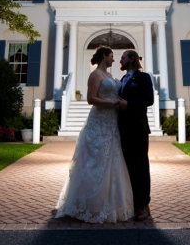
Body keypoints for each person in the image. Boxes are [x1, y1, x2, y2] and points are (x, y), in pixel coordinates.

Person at [54, 47, 134, 223]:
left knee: (112, 160)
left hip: (112, 122)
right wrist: (112, 102)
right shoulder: (95, 75)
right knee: (95, 161)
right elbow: (91, 99)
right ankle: (88, 204)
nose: (114, 60)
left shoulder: (112, 76)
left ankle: (111, 204)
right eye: (112, 56)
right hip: (99, 121)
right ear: (104, 56)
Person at [117, 49, 154, 221]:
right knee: (129, 167)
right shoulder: (123, 79)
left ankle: (144, 205)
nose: (120, 61)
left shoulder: (143, 77)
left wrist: (129, 104)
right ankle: (133, 203)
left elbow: (149, 99)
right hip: (123, 129)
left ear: (131, 59)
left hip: (138, 129)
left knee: (140, 167)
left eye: (123, 58)